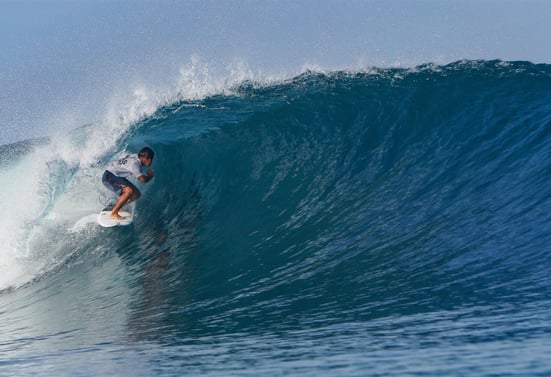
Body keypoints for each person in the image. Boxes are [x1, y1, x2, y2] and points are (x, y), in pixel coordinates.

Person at [102, 147, 155, 220]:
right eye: (149, 159)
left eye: (151, 159)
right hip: (109, 176)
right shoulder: (135, 164)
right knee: (128, 191)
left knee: (136, 194)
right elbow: (143, 180)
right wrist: (150, 176)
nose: (150, 161)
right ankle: (114, 213)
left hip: (117, 176)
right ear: (143, 157)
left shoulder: (136, 156)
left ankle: (116, 206)